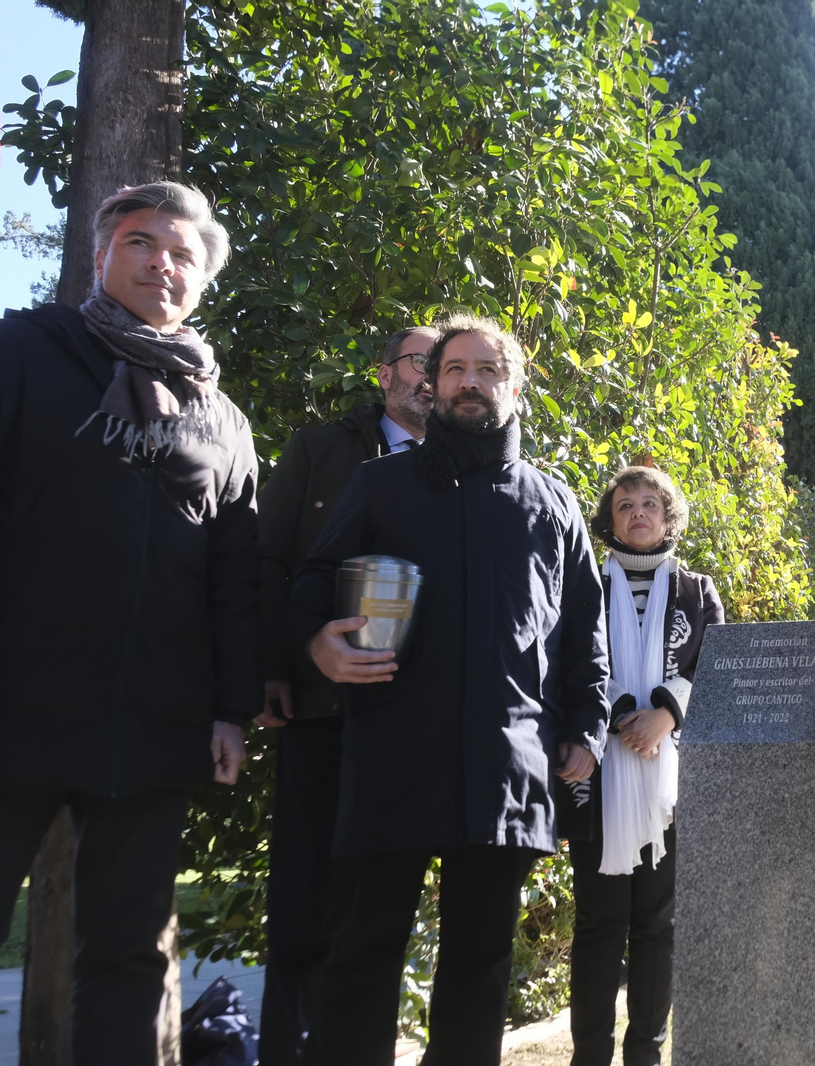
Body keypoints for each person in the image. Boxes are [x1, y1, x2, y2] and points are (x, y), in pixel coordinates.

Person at [0, 181, 257, 1066]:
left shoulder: (223, 421)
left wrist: (228, 708)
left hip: (152, 729)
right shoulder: (12, 355)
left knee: (126, 955)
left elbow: (232, 576)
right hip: (0, 710)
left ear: (202, 281)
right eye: (141, 242)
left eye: (183, 253)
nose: (163, 262)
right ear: (100, 256)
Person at [289, 314, 611, 1066]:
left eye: (489, 369)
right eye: (456, 369)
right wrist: (318, 644)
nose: (472, 382)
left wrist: (588, 727)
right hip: (392, 755)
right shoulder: (378, 484)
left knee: (480, 966)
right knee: (360, 955)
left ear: (517, 386)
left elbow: (584, 629)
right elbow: (310, 583)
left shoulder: (555, 503)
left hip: (507, 763)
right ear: (430, 387)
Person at [255, 324, 438, 1065]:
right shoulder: (321, 450)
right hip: (321, 709)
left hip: (416, 724)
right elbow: (269, 559)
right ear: (384, 371)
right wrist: (273, 665)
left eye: (443, 363)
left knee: (381, 910)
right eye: (416, 361)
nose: (429, 377)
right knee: (303, 903)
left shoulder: (466, 466)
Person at [559, 466, 724, 1066]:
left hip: (671, 780)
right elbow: (567, 664)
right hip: (597, 774)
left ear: (668, 516)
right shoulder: (583, 589)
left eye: (650, 503)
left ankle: (646, 1055)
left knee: (658, 924)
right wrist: (625, 713)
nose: (637, 514)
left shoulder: (699, 592)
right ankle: (590, 1057)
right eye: (625, 504)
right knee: (599, 923)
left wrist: (667, 714)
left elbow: (716, 670)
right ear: (611, 517)